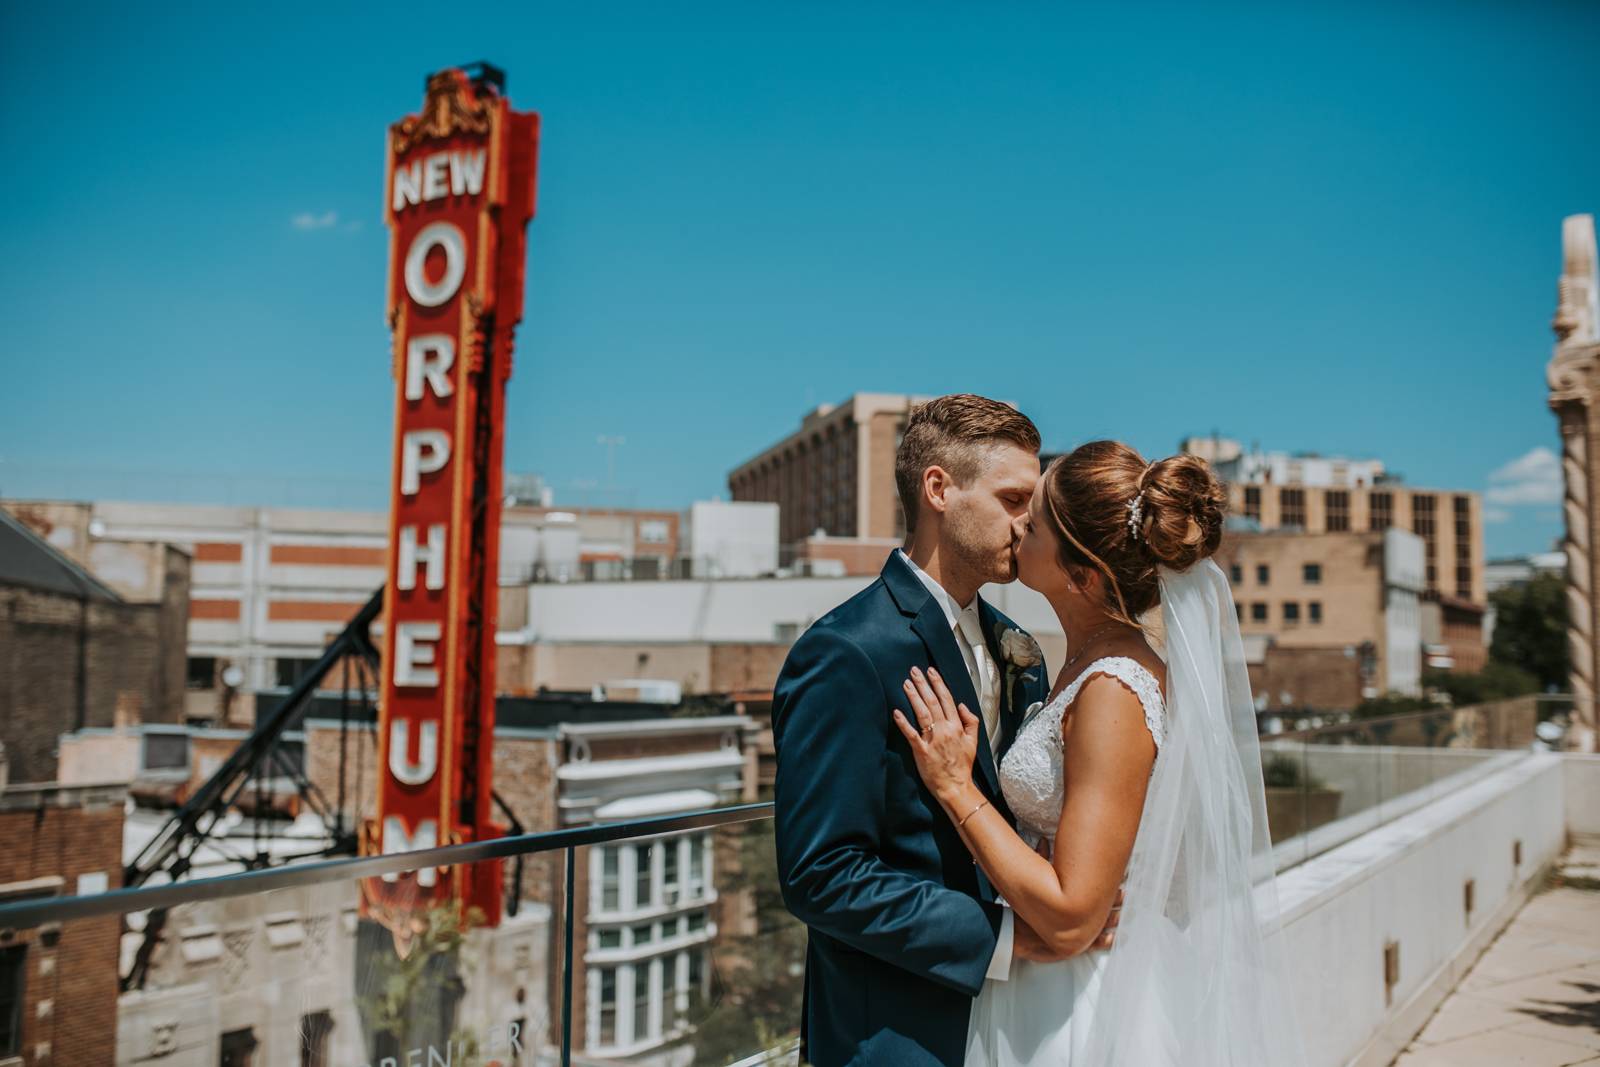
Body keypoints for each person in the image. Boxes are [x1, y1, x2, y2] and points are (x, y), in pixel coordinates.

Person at [894, 440, 1306, 1065]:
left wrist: (956, 787)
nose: (1017, 530)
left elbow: (1069, 916)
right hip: (1045, 988)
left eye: (1033, 524)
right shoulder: (1081, 663)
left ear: (1080, 575)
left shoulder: (1114, 686)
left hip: (1083, 1005)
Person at [771, 395, 1116, 1067]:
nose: (1029, 524)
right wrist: (1005, 938)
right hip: (898, 1036)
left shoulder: (1020, 646)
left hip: (1022, 1023)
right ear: (939, 488)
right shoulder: (846, 650)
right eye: (1014, 499)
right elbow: (821, 873)